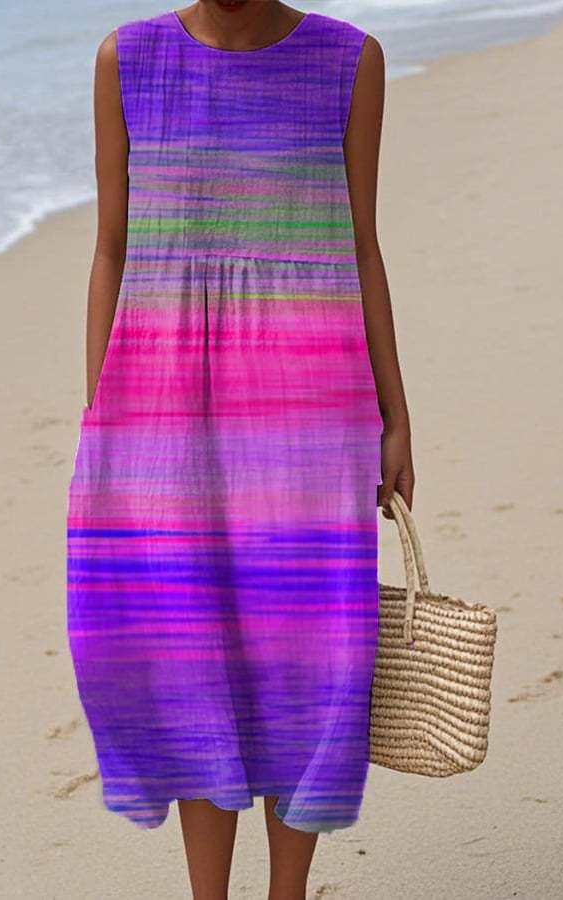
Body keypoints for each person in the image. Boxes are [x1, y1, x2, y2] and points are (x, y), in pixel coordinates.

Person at [66, 2, 414, 898]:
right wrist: (103, 409)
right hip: (165, 405)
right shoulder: (127, 59)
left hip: (314, 409)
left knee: (309, 656)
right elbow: (110, 248)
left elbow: (362, 248)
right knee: (191, 652)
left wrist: (395, 414)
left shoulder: (348, 62)